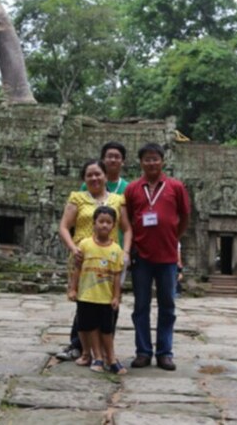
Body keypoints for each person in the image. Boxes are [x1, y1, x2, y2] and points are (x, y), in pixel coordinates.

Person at [56, 142, 129, 361]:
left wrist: (125, 253)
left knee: (109, 303)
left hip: (110, 258)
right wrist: (73, 247)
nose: (94, 178)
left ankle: (106, 349)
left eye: (98, 174)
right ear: (84, 179)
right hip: (82, 258)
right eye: (89, 175)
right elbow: (64, 226)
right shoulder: (77, 197)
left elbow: (127, 228)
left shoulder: (118, 199)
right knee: (84, 303)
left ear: (105, 176)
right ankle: (80, 346)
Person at [125, 142, 190, 371]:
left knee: (168, 306)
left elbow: (184, 216)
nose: (151, 163)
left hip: (168, 257)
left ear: (162, 161)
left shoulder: (175, 187)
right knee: (140, 306)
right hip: (141, 256)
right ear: (140, 162)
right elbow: (128, 219)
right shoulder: (133, 188)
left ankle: (165, 353)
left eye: (155, 158)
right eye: (147, 159)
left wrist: (173, 236)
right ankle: (143, 351)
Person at [67, 206, 127, 374]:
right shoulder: (84, 245)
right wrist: (73, 289)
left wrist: (116, 296)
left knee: (106, 330)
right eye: (101, 221)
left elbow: (116, 276)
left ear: (114, 225)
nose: (104, 225)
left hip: (105, 298)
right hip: (86, 295)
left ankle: (110, 357)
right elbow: (77, 269)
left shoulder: (116, 250)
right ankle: (95, 357)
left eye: (109, 222)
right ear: (94, 223)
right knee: (88, 327)